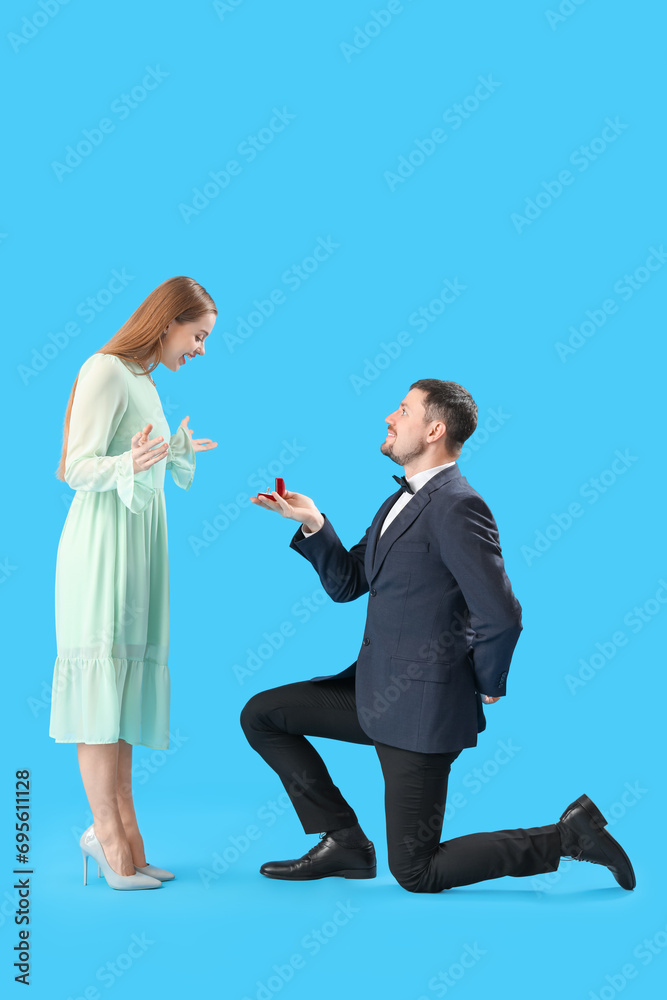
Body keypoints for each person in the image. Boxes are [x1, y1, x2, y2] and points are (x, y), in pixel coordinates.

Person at [241, 379, 635, 893]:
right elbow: (348, 584)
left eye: (403, 410)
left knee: (416, 871)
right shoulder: (397, 502)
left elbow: (502, 613)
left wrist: (487, 680)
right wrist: (314, 522)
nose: (390, 417)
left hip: (421, 711)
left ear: (434, 430)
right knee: (262, 715)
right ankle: (345, 841)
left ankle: (568, 836)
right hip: (376, 692)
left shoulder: (457, 505)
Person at [50, 276, 217, 890]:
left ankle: (124, 832)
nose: (200, 349)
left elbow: (135, 455)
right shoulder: (105, 369)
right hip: (102, 549)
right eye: (197, 336)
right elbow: (75, 467)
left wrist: (173, 449)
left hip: (137, 546)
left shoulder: (142, 379)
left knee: (119, 692)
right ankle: (108, 838)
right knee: (100, 689)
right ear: (168, 322)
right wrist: (132, 461)